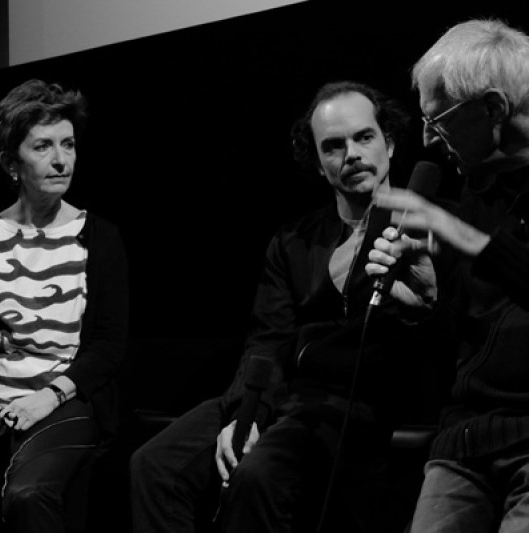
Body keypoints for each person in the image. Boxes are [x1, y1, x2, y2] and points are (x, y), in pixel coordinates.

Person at [131, 80, 429, 533]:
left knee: (257, 475)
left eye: (363, 137)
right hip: (283, 395)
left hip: (351, 402)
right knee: (154, 465)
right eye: (333, 146)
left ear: (388, 141)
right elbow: (268, 340)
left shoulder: (422, 226)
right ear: (317, 163)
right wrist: (245, 415)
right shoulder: (293, 241)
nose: (350, 153)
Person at [0, 79, 129, 533]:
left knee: (29, 497)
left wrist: (48, 395)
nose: (61, 160)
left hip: (64, 407)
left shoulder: (100, 238)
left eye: (68, 144)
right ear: (10, 163)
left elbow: (110, 345)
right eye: (43, 146)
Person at [365, 18, 528, 533]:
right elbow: (470, 350)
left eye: (439, 121)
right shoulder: (477, 195)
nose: (431, 141)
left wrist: (461, 236)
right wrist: (430, 303)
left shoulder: (463, 221)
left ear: (493, 109)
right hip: (465, 441)